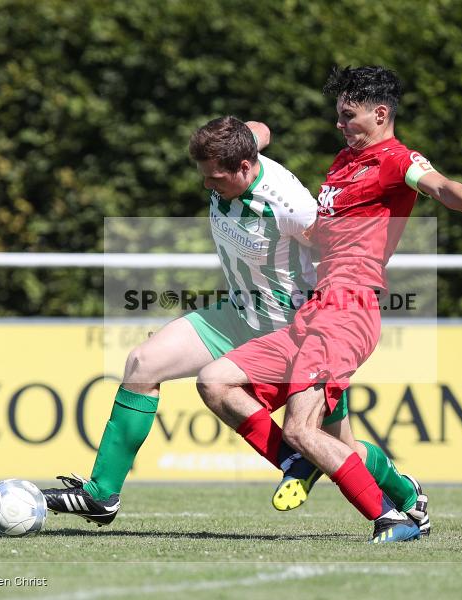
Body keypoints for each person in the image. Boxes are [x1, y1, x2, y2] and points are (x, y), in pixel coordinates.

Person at [41, 116, 429, 535]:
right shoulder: (240, 156)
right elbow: (259, 129)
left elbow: (334, 250)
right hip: (237, 313)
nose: (208, 185)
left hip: (290, 330)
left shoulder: (292, 206)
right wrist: (247, 133)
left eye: (216, 178)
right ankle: (102, 495)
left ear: (245, 168)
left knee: (339, 447)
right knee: (142, 363)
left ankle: (406, 496)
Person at [196, 66, 462, 543]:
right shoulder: (341, 164)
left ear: (380, 114)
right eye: (338, 115)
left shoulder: (395, 160)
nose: (340, 124)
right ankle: (379, 489)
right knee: (216, 381)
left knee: (304, 429)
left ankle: (391, 520)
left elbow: (441, 187)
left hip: (347, 311)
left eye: (348, 116)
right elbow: (319, 232)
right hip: (312, 309)